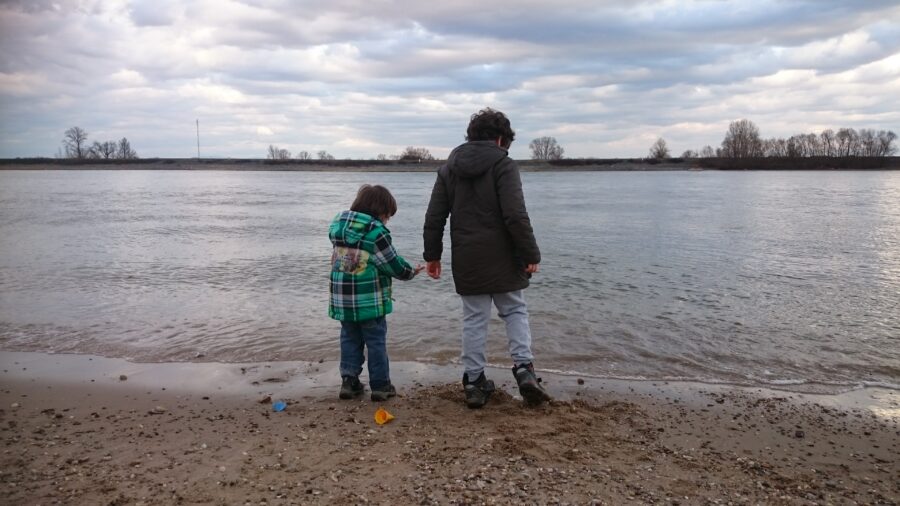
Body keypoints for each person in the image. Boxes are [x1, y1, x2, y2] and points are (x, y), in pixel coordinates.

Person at [423, 108, 550, 408]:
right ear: (500, 139)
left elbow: (434, 216)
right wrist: (531, 253)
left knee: (474, 319)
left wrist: (433, 255)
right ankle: (524, 370)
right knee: (515, 311)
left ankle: (475, 381)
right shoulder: (504, 165)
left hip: (468, 257)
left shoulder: (448, 168)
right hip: (505, 255)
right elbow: (515, 215)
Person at [329, 184, 424, 401]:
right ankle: (381, 386)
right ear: (379, 211)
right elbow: (392, 265)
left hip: (342, 299)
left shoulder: (339, 229)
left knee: (349, 339)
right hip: (369, 301)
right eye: (387, 216)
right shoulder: (376, 234)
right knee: (375, 342)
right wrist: (412, 271)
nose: (387, 220)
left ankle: (349, 382)